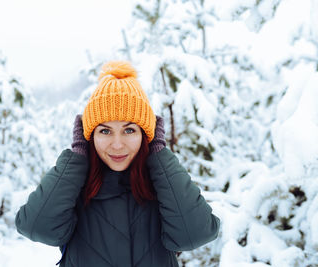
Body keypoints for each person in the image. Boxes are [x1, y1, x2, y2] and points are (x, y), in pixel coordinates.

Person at [15, 61, 220, 267]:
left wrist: (159, 154)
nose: (117, 144)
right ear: (90, 137)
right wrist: (76, 157)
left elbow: (195, 234)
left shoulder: (162, 188)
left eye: (129, 130)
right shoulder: (74, 189)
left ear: (145, 135)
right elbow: (36, 227)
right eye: (105, 131)